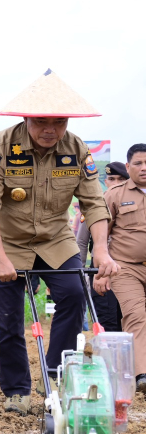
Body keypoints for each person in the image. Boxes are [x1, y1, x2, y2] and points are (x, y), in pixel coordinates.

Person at [0, 69, 118, 415]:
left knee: (74, 295)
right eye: (41, 121)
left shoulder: (76, 148)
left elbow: (94, 203)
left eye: (59, 122)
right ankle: (17, 391)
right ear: (26, 118)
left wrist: (101, 249)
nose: (50, 129)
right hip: (8, 241)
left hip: (56, 238)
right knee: (8, 319)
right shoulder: (2, 145)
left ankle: (53, 373)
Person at [97, 144, 146, 393]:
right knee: (136, 316)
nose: (144, 168)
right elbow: (100, 238)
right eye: (138, 163)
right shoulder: (114, 194)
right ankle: (142, 375)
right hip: (126, 267)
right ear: (128, 167)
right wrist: (100, 273)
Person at [76, 161, 128, 332]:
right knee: (107, 323)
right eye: (111, 179)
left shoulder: (136, 204)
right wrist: (78, 273)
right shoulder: (94, 206)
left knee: (132, 322)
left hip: (129, 268)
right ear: (105, 182)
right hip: (101, 271)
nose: (116, 183)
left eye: (121, 179)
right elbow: (82, 242)